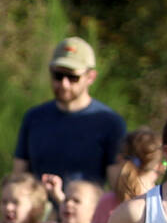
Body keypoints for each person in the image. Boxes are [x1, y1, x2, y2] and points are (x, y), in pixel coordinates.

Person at [13, 38, 129, 188]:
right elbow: (18, 177)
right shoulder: (34, 118)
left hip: (86, 210)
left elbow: (117, 186)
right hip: (40, 209)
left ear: (91, 77)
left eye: (73, 77)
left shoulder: (109, 123)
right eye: (58, 76)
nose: (64, 84)